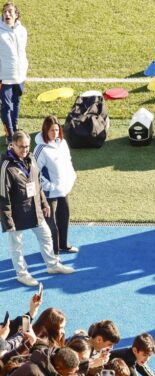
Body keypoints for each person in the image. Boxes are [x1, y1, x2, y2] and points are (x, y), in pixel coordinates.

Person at [1, 130, 75, 286]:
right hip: (16, 213)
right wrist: (8, 221)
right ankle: (22, 274)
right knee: (17, 245)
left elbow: (37, 183)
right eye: (21, 147)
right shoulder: (6, 166)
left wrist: (44, 203)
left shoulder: (31, 158)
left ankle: (53, 265)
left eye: (27, 146)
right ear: (12, 145)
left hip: (34, 208)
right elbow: (3, 195)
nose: (25, 150)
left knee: (46, 235)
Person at [33, 115, 78, 255]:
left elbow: (68, 161)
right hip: (49, 194)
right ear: (45, 131)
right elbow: (35, 172)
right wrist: (49, 187)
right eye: (51, 130)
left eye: (57, 130)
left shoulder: (62, 143)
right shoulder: (40, 149)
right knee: (51, 225)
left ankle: (63, 244)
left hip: (63, 190)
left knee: (64, 218)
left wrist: (72, 176)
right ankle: (53, 253)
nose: (55, 133)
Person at [0, 2, 27, 139]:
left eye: (10, 11)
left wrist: (24, 68)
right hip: (4, 77)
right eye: (5, 12)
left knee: (16, 102)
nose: (7, 14)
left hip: (20, 75)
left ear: (16, 15)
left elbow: (22, 52)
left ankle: (15, 128)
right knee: (6, 107)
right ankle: (10, 136)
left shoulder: (22, 30)